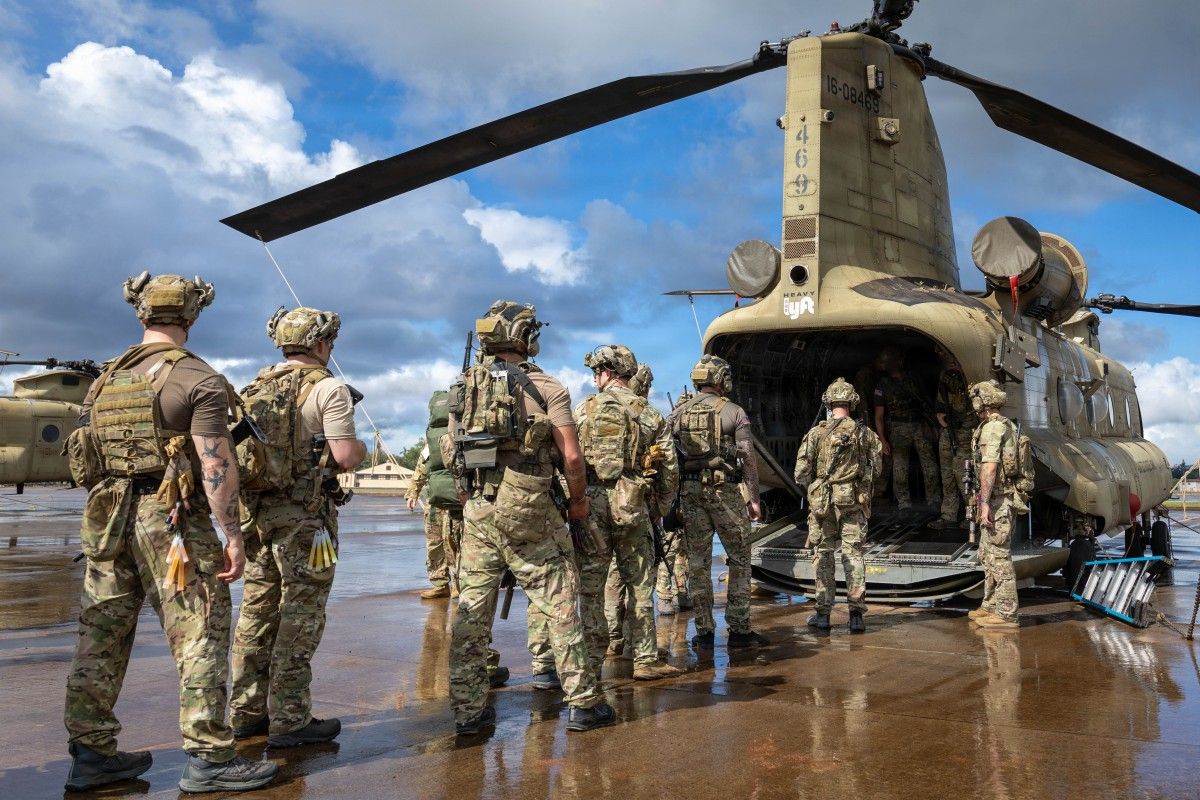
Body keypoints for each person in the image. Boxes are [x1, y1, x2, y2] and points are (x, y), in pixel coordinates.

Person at [63, 272, 277, 793]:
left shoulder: (106, 380)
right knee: (200, 631)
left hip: (106, 518)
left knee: (101, 633)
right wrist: (232, 534)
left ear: (141, 314)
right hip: (172, 520)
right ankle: (209, 757)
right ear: (192, 316)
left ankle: (91, 753)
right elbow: (214, 464)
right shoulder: (198, 379)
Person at [448, 300, 613, 735]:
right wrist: (578, 501)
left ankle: (467, 712)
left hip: (479, 507)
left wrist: (470, 499)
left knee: (472, 610)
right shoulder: (547, 387)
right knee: (560, 601)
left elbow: (453, 454)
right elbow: (572, 457)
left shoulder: (464, 386)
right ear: (523, 336)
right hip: (531, 506)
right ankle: (582, 702)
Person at [228, 306, 367, 747]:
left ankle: (246, 712)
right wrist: (361, 448)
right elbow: (344, 456)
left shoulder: (254, 388)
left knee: (256, 611)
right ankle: (290, 718)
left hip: (256, 516)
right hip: (305, 520)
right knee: (301, 614)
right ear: (321, 344)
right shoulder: (329, 388)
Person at [574, 345, 680, 680]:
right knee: (640, 582)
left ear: (607, 373)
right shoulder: (648, 413)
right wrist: (659, 508)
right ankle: (645, 659)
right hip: (632, 502)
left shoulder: (581, 411)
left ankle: (591, 662)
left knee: (592, 586)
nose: (595, 377)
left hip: (590, 504)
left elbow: (566, 460)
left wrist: (574, 501)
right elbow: (669, 468)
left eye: (597, 371)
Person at [669, 354, 769, 649]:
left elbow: (669, 459)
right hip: (724, 492)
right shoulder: (734, 412)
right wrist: (754, 499)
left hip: (690, 493)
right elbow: (747, 459)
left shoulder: (677, 414)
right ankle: (739, 629)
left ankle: (703, 632)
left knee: (698, 563)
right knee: (739, 559)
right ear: (721, 379)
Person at [793, 378, 882, 632]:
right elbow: (877, 469)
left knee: (823, 554)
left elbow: (800, 473)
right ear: (853, 402)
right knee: (853, 554)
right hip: (853, 501)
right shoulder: (865, 434)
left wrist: (816, 486)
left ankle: (823, 615)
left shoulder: (816, 434)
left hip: (822, 504)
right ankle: (856, 615)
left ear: (828, 403)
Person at [967, 380, 1021, 629]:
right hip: (998, 498)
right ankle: (990, 605)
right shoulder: (1003, 425)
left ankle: (1007, 614)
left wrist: (985, 503)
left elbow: (989, 468)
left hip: (998, 500)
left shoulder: (992, 428)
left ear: (982, 403)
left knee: (999, 555)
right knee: (987, 553)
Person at [873, 348, 939, 511]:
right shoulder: (883, 385)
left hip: (919, 425)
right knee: (900, 468)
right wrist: (882, 439)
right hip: (898, 428)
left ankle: (934, 500)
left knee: (929, 465)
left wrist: (933, 426)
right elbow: (878, 415)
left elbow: (927, 403)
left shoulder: (914, 379)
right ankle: (904, 504)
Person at [406, 391, 457, 599]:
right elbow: (423, 464)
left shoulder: (456, 435)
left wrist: (414, 491)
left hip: (454, 498)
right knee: (436, 542)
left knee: (452, 542)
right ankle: (441, 583)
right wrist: (413, 491)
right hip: (437, 499)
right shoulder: (433, 441)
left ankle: (456, 584)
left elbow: (422, 466)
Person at [932, 352, 976, 528]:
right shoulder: (945, 376)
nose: (950, 365)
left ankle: (972, 514)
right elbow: (941, 400)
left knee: (964, 474)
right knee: (947, 474)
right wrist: (940, 414)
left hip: (965, 431)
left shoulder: (970, 375)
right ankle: (948, 515)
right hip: (948, 430)